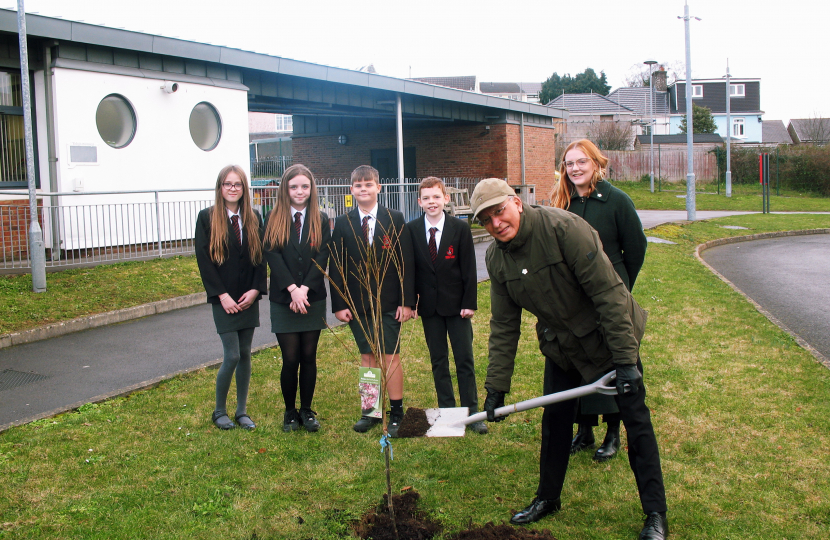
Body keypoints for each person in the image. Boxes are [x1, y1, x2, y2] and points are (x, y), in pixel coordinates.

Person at [472, 178, 668, 540]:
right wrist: (496, 387)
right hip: (561, 344)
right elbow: (503, 326)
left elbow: (609, 295)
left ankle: (655, 513)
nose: (495, 224)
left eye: (499, 212)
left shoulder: (564, 229)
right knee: (555, 423)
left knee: (636, 422)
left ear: (516, 202)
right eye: (485, 220)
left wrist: (625, 361)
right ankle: (548, 498)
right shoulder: (496, 258)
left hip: (608, 338)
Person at [551, 139, 648, 463]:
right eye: (569, 163)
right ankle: (585, 430)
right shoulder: (562, 203)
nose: (575, 168)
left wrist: (621, 289)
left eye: (581, 162)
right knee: (579, 364)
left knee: (613, 363)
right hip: (575, 300)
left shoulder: (617, 201)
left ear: (596, 163)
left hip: (609, 298)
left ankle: (612, 434)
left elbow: (635, 249)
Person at [329, 165, 415, 437]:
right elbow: (336, 265)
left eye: (368, 184)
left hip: (390, 301)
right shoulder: (343, 223)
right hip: (357, 304)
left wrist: (407, 301)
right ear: (351, 190)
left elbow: (406, 262)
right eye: (358, 185)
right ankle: (371, 410)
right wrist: (340, 304)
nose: (363, 189)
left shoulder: (395, 218)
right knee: (368, 356)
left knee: (390, 355)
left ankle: (397, 410)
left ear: (379, 188)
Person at [408, 177, 487, 435]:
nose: (432, 202)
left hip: (456, 307)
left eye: (436, 197)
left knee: (464, 359)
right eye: (427, 198)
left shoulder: (459, 229)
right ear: (419, 202)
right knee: (438, 360)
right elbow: (410, 271)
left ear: (446, 199)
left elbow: (468, 269)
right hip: (429, 308)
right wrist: (411, 303)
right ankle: (448, 411)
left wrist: (469, 303)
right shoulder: (411, 230)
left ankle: (473, 413)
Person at [195, 165, 267, 431]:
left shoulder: (254, 217)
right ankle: (219, 411)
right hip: (223, 298)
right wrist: (221, 295)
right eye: (228, 184)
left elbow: (260, 259)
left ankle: (241, 411)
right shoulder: (207, 218)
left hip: (248, 296)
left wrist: (256, 290)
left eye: (237, 184)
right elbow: (205, 262)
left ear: (244, 189)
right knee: (232, 354)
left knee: (246, 352)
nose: (233, 189)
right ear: (220, 188)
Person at [263, 164, 330, 433]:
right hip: (284, 299)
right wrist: (292, 289)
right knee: (290, 358)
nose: (299, 191)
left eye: (304, 186)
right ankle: (290, 412)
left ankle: (307, 410)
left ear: (311, 188)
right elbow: (272, 255)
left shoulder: (321, 218)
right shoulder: (273, 217)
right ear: (285, 189)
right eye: (293, 187)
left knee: (309, 356)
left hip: (312, 298)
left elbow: (324, 255)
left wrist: (305, 290)